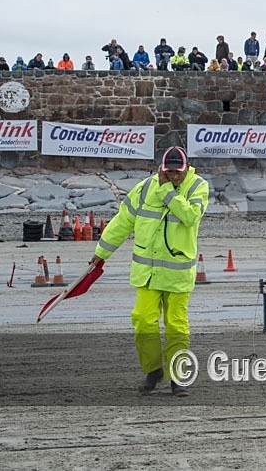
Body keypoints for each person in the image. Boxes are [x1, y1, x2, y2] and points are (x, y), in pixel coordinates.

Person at [89, 146, 209, 396]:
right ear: (161, 169)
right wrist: (101, 252)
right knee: (143, 321)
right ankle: (153, 370)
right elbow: (122, 222)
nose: (174, 176)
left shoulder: (198, 186)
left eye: (178, 172)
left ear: (186, 168)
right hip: (147, 273)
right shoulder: (144, 188)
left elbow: (189, 216)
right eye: (169, 172)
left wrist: (167, 191)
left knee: (176, 325)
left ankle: (178, 376)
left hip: (177, 274)